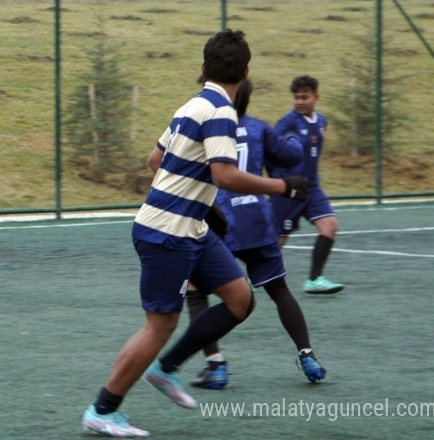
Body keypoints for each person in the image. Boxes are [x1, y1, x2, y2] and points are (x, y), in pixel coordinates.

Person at [81, 29, 309, 438]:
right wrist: (282, 186)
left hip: (190, 227)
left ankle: (166, 368)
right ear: (246, 72)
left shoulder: (192, 105)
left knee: (241, 299)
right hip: (167, 232)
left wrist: (201, 204)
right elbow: (225, 174)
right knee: (159, 325)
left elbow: (155, 160)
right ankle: (102, 409)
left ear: (203, 68)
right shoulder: (221, 111)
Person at [181, 79, 326, 390]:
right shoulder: (259, 128)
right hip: (259, 221)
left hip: (221, 222)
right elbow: (290, 156)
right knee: (280, 291)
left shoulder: (208, 126)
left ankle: (215, 365)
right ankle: (308, 356)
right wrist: (293, 140)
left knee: (195, 290)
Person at [269, 75, 344, 294]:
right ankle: (252, 279)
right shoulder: (287, 123)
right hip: (289, 189)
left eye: (305, 97)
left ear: (316, 97)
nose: (300, 101)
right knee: (278, 239)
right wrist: (279, 182)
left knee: (330, 226)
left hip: (312, 187)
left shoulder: (321, 122)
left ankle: (314, 279)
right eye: (296, 97)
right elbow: (271, 152)